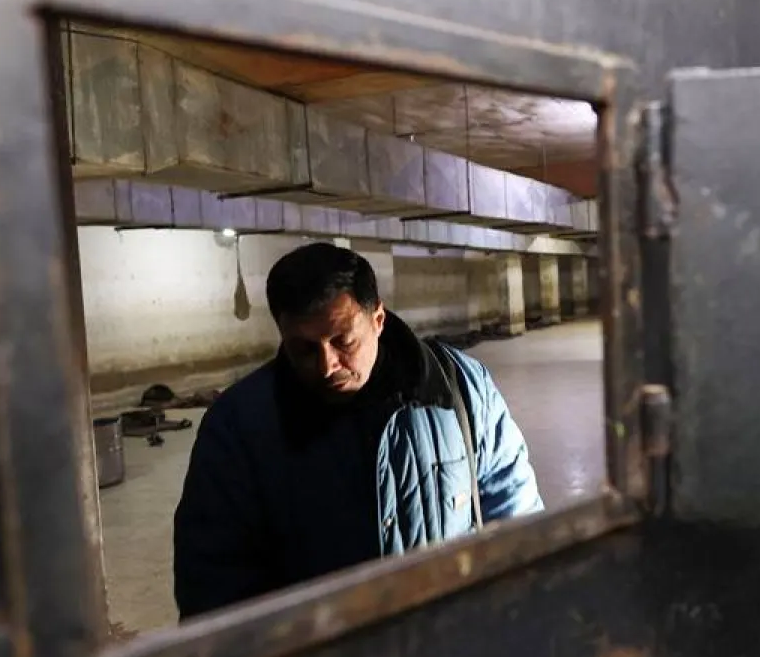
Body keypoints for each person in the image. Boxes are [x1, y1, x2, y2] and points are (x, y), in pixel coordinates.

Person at [173, 242, 543, 619]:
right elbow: (213, 586)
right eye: (303, 349)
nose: (327, 365)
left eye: (343, 341)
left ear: (377, 319)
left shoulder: (460, 387)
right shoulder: (239, 426)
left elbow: (515, 518)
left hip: (451, 645)